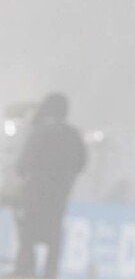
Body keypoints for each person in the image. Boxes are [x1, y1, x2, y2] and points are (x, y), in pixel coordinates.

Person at [12, 92, 88, 279]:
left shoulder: (39, 133)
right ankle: (49, 273)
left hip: (34, 196)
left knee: (27, 235)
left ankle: (26, 271)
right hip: (58, 198)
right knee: (53, 239)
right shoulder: (73, 136)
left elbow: (22, 165)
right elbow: (82, 163)